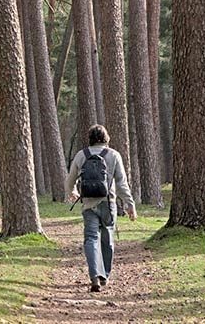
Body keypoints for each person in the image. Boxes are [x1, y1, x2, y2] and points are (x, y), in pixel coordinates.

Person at [65, 124, 137, 293]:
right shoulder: (113, 155)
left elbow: (70, 180)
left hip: (88, 204)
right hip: (108, 203)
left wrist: (73, 192)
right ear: (106, 138)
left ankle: (94, 276)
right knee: (107, 239)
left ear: (89, 138)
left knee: (91, 238)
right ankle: (105, 275)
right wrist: (129, 204)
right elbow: (121, 183)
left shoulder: (81, 155)